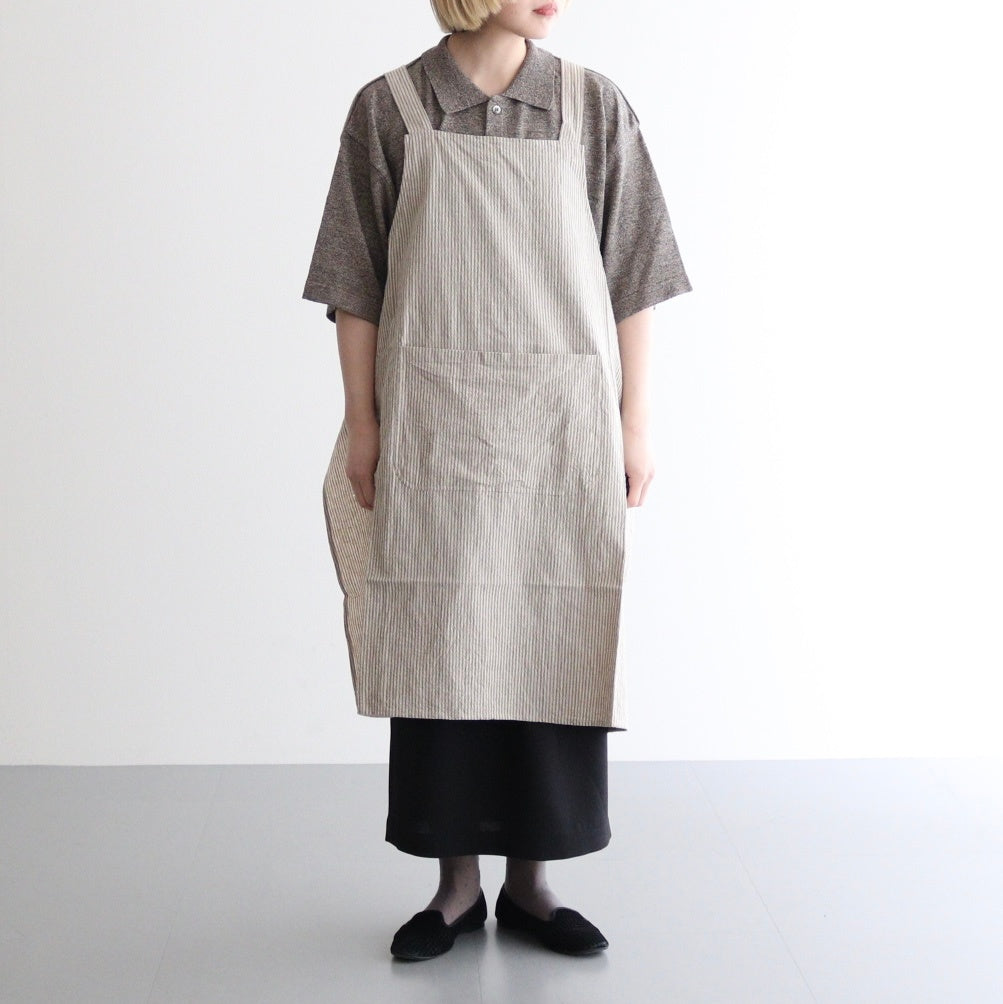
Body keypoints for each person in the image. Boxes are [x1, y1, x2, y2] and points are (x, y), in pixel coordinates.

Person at [302, 0, 691, 961]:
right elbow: (355, 284)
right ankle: (453, 888)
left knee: (551, 624)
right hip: (435, 427)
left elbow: (635, 272)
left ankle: (531, 885)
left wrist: (635, 421)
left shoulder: (593, 106)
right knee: (443, 632)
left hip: (560, 428)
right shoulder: (390, 108)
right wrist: (363, 422)